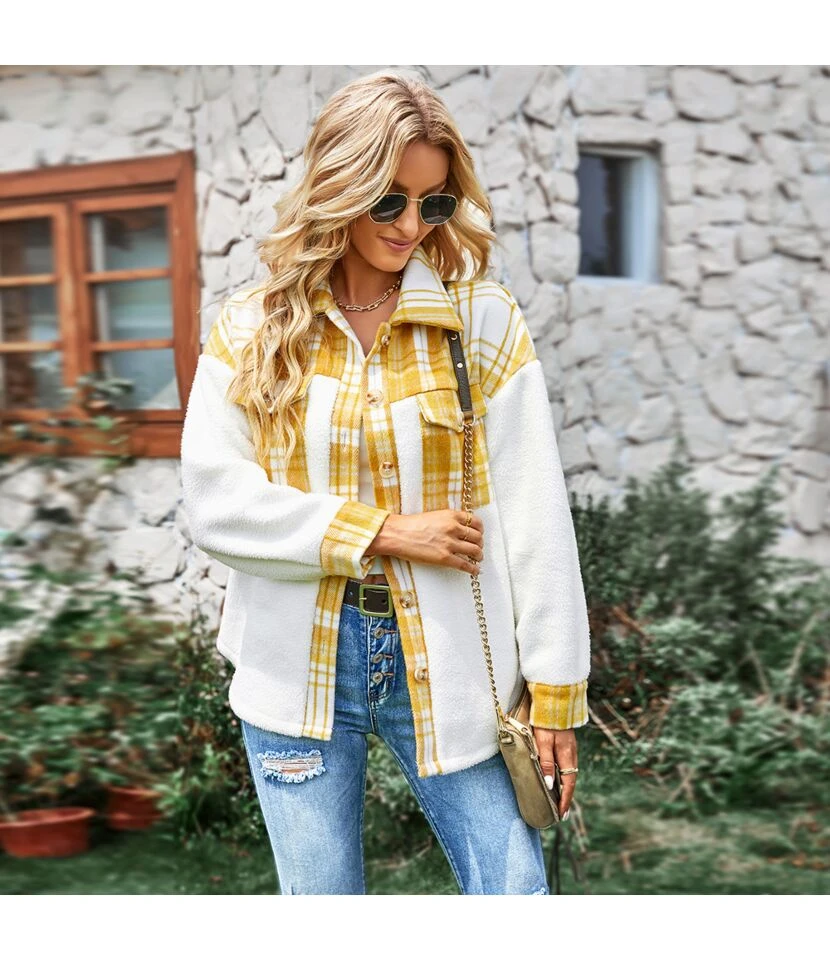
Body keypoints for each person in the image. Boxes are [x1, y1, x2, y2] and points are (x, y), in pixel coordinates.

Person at [180, 69, 591, 895]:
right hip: (294, 664)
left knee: (516, 894)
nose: (411, 226)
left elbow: (536, 515)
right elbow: (216, 504)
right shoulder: (253, 329)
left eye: (433, 203)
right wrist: (383, 531)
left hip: (455, 666)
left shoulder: (481, 321)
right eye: (388, 201)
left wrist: (555, 690)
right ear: (340, 187)